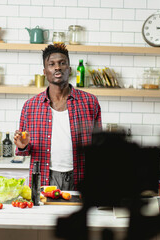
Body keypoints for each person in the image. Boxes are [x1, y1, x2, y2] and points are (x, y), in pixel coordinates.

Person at [13, 44, 102, 190]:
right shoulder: (30, 106)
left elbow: (98, 146)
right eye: (52, 64)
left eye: (62, 63)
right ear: (45, 71)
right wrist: (22, 145)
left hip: (82, 176)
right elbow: (23, 149)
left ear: (70, 69)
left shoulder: (90, 102)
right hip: (44, 177)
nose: (57, 68)